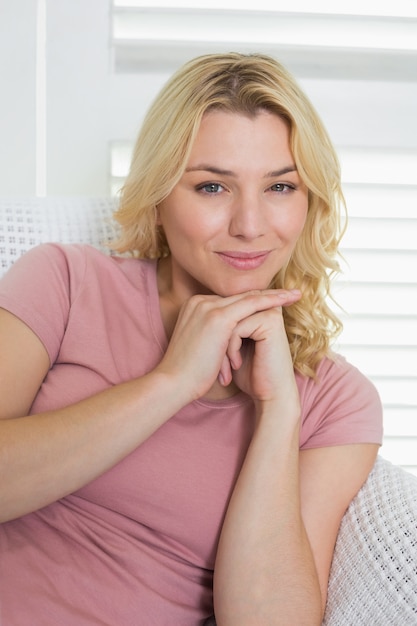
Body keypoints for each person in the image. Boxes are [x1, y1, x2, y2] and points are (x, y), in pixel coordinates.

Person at [0, 52, 382, 625]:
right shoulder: (64, 281)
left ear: (311, 203)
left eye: (280, 187)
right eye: (211, 187)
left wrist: (278, 409)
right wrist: (171, 382)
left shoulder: (336, 401)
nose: (250, 225)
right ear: (157, 198)